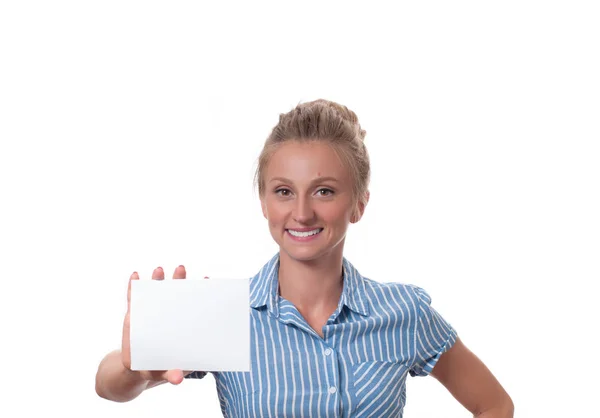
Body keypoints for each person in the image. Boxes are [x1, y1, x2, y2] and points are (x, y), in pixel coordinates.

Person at [95, 99, 514, 417]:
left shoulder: (403, 313)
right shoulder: (225, 314)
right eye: (283, 191)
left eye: (324, 190)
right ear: (264, 202)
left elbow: (496, 406)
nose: (301, 212)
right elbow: (108, 385)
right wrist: (138, 370)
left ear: (359, 204)